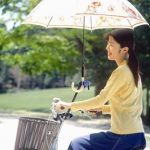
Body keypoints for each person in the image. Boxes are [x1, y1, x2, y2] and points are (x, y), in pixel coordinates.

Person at [54, 29, 146, 150]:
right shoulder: (133, 71)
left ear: (124, 49)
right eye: (107, 43)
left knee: (77, 144)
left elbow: (100, 99)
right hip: (136, 135)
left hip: (123, 136)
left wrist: (68, 105)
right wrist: (102, 109)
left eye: (112, 45)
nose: (107, 48)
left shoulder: (121, 72)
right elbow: (128, 107)